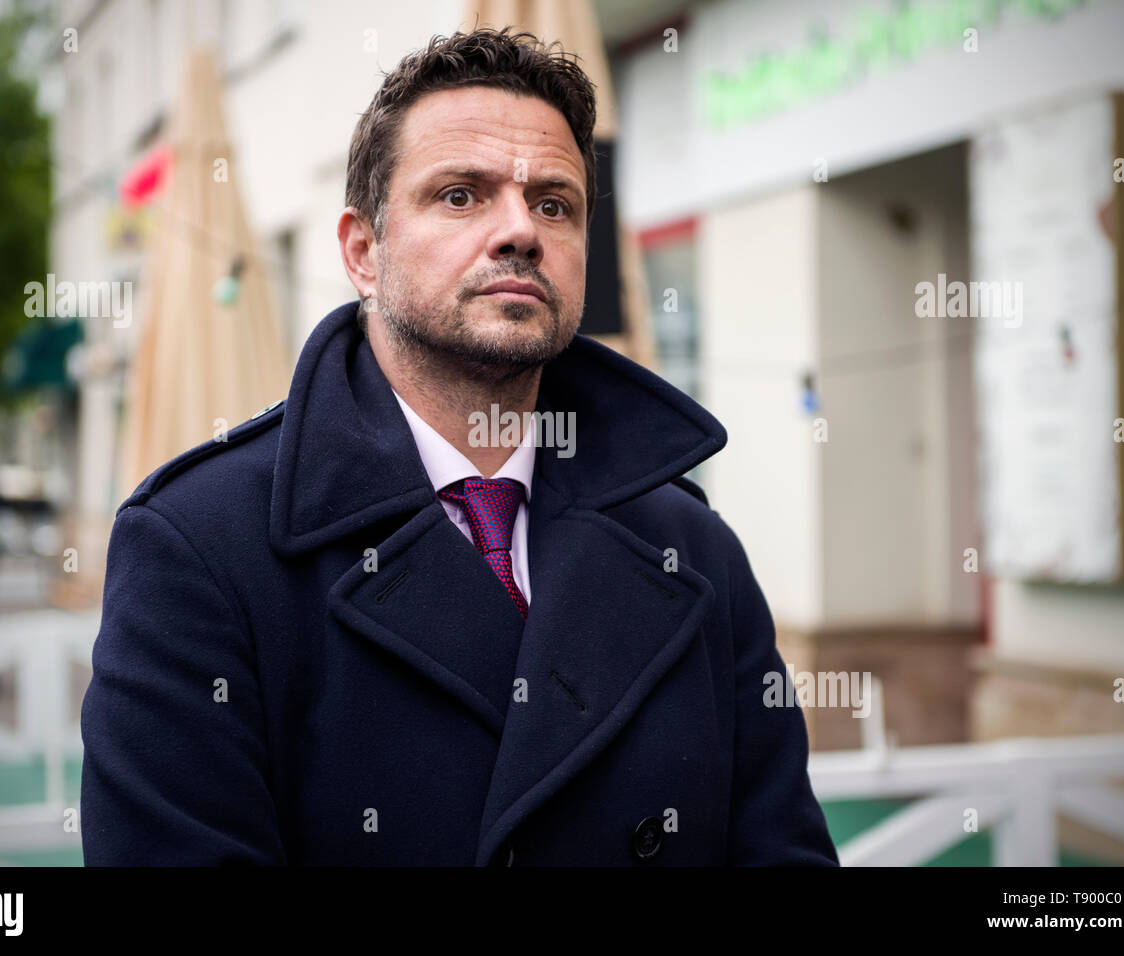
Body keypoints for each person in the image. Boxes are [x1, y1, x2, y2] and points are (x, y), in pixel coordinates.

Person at [80, 28, 838, 866]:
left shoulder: (692, 549)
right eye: (461, 195)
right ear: (363, 253)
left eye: (555, 204)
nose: (521, 230)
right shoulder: (199, 548)